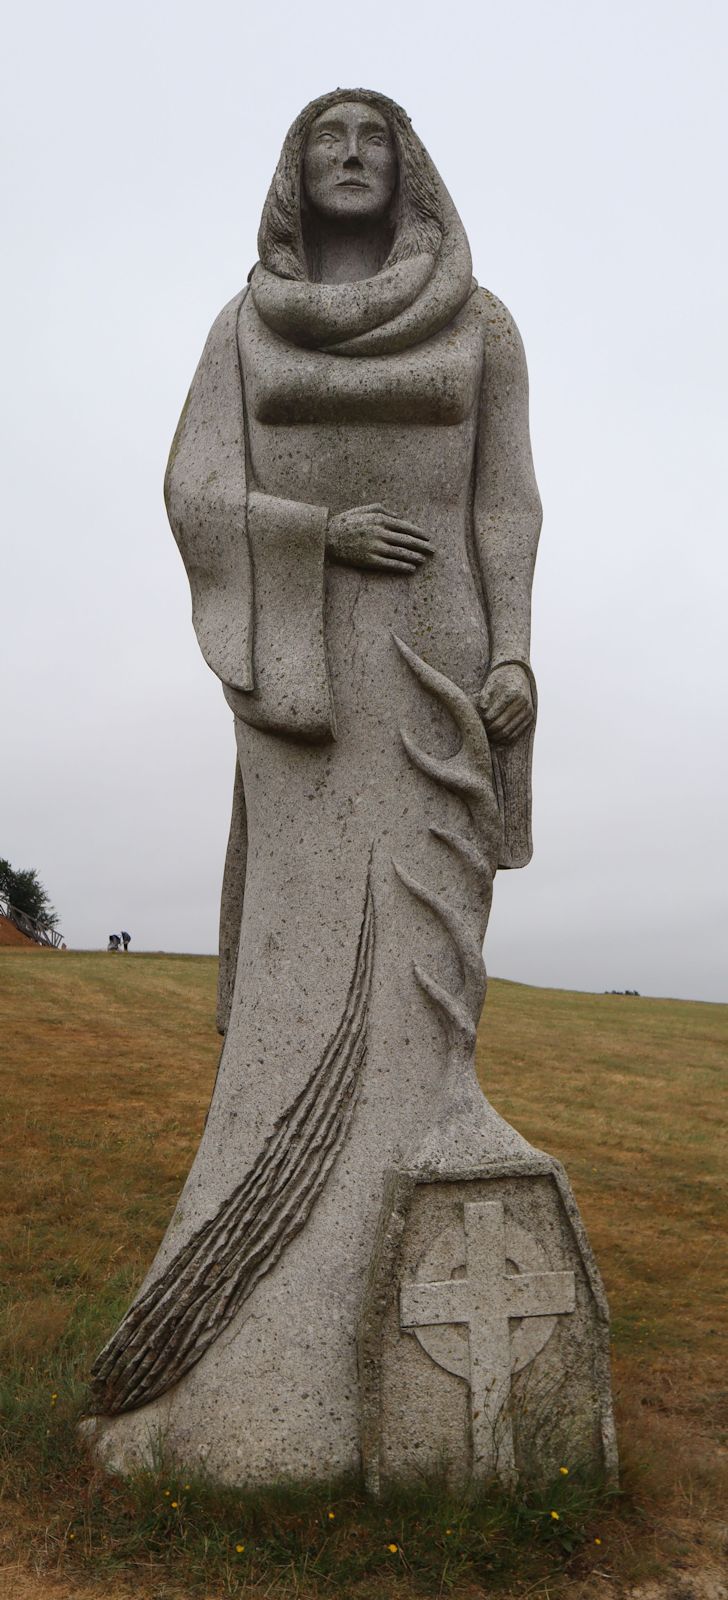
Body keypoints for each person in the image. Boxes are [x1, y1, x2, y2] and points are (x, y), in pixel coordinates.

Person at [91, 90, 542, 1476]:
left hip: (441, 670)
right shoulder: (241, 332)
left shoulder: (483, 325)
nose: (350, 159)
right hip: (308, 690)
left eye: (375, 142)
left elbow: (505, 502)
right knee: (304, 960)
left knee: (428, 959)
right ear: (294, 176)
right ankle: (249, 1323)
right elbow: (193, 494)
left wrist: (515, 651)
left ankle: (424, 1183)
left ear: (410, 171)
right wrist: (320, 535)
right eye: (325, 143)